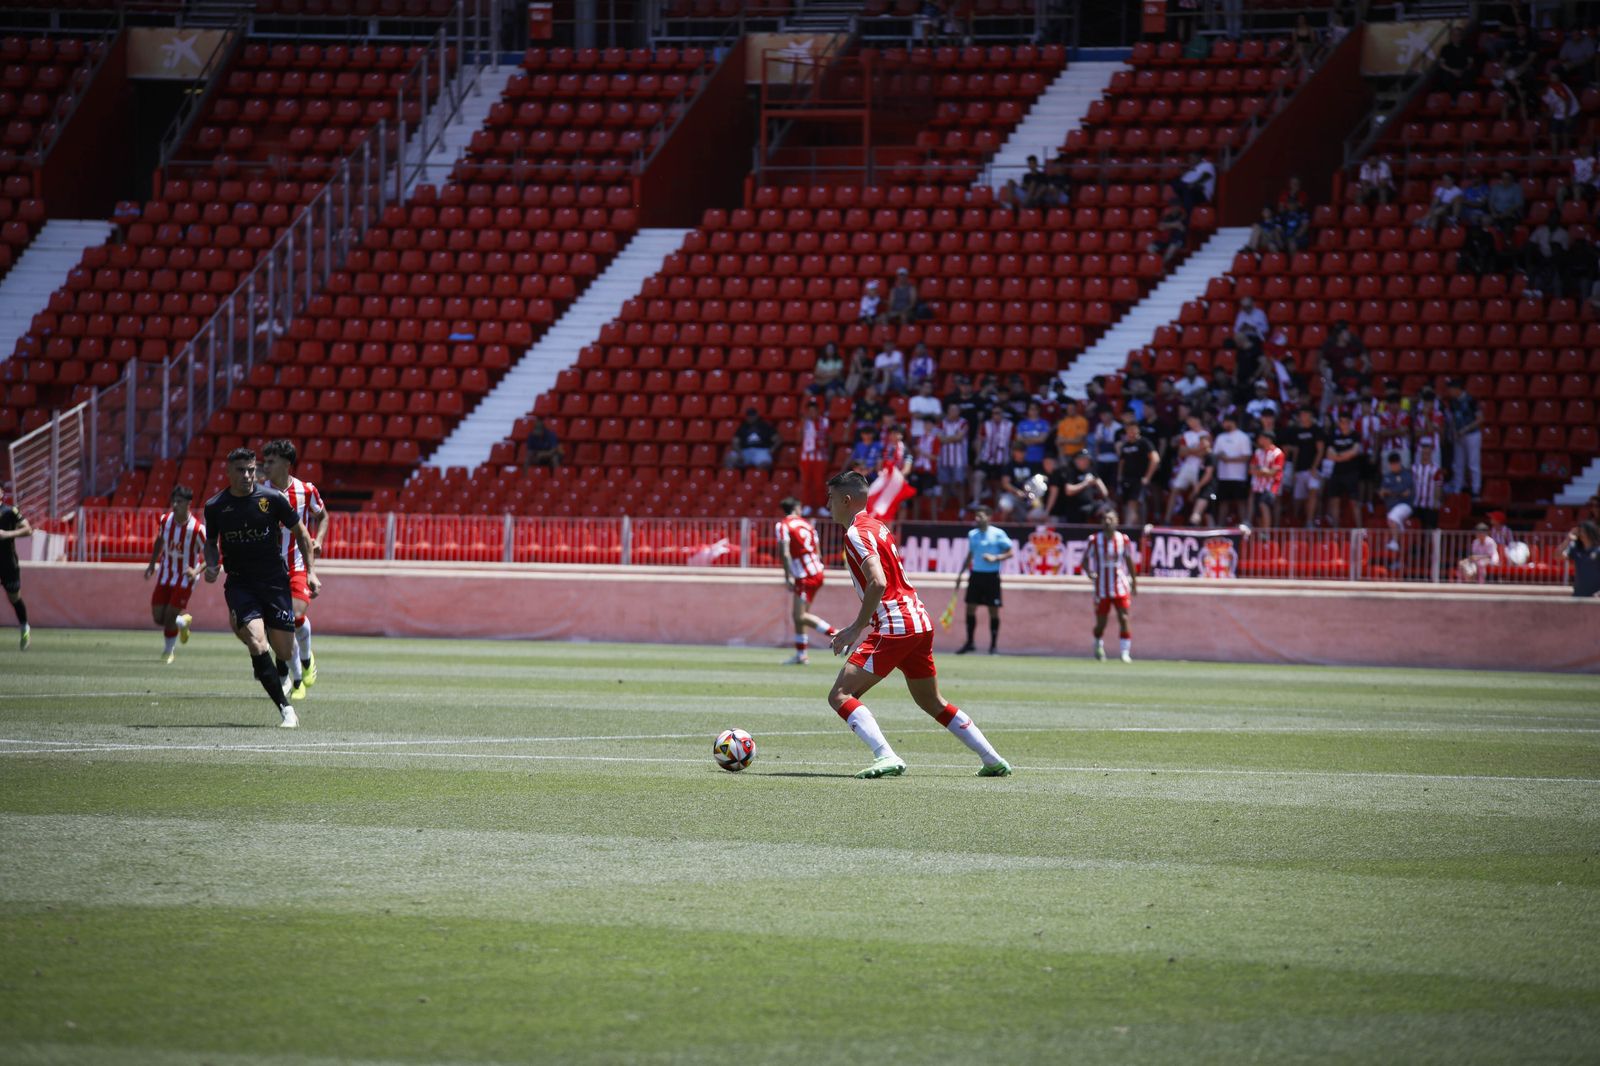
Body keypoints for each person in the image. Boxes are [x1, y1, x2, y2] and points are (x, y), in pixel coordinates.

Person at [821, 470, 1012, 779]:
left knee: (840, 695)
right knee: (931, 701)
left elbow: (878, 582)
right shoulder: (878, 527)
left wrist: (856, 628)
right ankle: (992, 759)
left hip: (894, 624)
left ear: (846, 500)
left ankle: (886, 755)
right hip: (918, 621)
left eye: (830, 498)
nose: (827, 504)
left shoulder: (856, 533)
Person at [202, 448, 321, 727]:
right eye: (241, 470)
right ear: (229, 472)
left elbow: (302, 534)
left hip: (274, 582)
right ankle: (286, 709)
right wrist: (211, 565)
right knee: (257, 642)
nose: (247, 475)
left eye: (251, 470)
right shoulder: (216, 506)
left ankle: (278, 657)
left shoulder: (272, 499)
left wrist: (311, 572)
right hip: (240, 582)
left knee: (284, 651)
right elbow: (210, 543)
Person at [260, 439, 328, 699]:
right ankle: (294, 677)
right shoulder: (259, 492)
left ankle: (306, 663)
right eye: (265, 461)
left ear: (287, 464)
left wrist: (318, 540)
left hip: (297, 566)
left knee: (294, 617)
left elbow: (322, 515)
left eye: (271, 461)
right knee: (277, 628)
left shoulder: (305, 490)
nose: (265, 466)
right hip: (268, 571)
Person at [143, 486, 205, 663]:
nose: (175, 505)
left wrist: (196, 571)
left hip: (186, 577)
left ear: (188, 504)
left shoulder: (197, 529)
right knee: (158, 618)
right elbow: (160, 541)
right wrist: (152, 564)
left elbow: (211, 555)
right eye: (174, 501)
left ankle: (168, 651)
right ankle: (182, 622)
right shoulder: (165, 520)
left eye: (179, 501)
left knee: (169, 616)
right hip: (165, 573)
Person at [776, 497, 837, 665]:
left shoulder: (783, 525)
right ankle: (801, 654)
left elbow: (785, 553)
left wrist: (787, 576)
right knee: (800, 616)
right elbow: (818, 552)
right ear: (796, 509)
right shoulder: (808, 525)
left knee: (800, 615)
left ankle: (836, 635)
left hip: (805, 575)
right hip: (816, 571)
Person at [956, 505, 1014, 655]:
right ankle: (970, 643)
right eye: (976, 516)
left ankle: (993, 646)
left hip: (991, 576)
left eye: (980, 516)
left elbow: (1010, 552)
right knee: (970, 608)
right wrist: (960, 574)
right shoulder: (972, 534)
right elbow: (970, 554)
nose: (977, 519)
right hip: (976, 575)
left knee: (993, 611)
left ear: (989, 517)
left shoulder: (998, 534)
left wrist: (995, 557)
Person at [1082, 508, 1137, 663]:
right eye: (1105, 519)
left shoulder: (1123, 539)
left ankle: (1125, 652)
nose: (1107, 522)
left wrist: (1135, 582)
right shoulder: (1094, 540)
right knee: (1101, 623)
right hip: (1102, 587)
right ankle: (1098, 642)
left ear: (1117, 522)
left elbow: (1129, 561)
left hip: (1120, 584)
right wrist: (1090, 573)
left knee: (1124, 617)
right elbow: (1085, 560)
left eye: (1111, 519)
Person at [0, 492, 31, 650]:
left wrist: (7, 534)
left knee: (14, 598)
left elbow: (28, 529)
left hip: (7, 563)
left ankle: (24, 626)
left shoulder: (10, 512)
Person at [1285, 406, 1325, 527]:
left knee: (1313, 493)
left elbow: (1320, 450)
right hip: (1299, 469)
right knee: (1298, 498)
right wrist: (1293, 470)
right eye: (1301, 414)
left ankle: (1310, 521)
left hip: (1312, 470)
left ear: (1310, 416)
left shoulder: (1317, 430)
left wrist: (1314, 467)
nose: (1302, 417)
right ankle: (1295, 521)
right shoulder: (1297, 431)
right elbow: (1296, 451)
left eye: (1305, 414)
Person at [1116, 416, 1159, 526]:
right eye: (1128, 430)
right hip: (1126, 479)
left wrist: (1147, 477)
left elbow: (1155, 459)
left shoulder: (1144, 443)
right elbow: (1122, 461)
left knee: (1133, 504)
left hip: (1138, 480)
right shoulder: (1125, 445)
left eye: (1132, 429)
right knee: (1128, 505)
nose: (1130, 432)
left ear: (1137, 429)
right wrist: (1119, 476)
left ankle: (1128, 529)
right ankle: (1135, 530)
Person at [1211, 414, 1252, 525]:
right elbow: (1215, 454)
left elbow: (1246, 456)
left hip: (1238, 476)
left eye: (1225, 422)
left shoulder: (1243, 437)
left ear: (1232, 422)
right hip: (1223, 475)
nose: (1223, 425)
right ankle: (1220, 526)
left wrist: (1228, 459)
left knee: (1241, 501)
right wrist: (1221, 456)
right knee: (1223, 502)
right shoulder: (1220, 437)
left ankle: (1245, 524)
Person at [1324, 412, 1363, 527]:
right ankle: (1335, 529)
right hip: (1336, 473)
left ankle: (1359, 529)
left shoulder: (1355, 435)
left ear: (1350, 423)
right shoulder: (1333, 436)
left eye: (1346, 422)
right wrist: (1345, 456)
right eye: (1341, 422)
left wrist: (1338, 456)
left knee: (1354, 502)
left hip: (1351, 473)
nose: (1344, 424)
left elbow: (1355, 452)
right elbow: (1329, 454)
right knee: (1334, 501)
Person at [1446, 377, 1482, 497]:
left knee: (1473, 464)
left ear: (1457, 389)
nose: (1449, 392)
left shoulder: (1471, 400)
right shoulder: (1453, 402)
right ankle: (1457, 488)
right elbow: (1453, 419)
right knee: (1458, 463)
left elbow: (1480, 419)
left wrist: (1465, 429)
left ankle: (1476, 490)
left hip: (1472, 435)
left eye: (1450, 389)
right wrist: (1454, 431)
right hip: (1458, 436)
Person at [796, 399, 831, 515]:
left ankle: (821, 506)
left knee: (819, 482)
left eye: (814, 410)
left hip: (821, 457)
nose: (812, 413)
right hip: (806, 457)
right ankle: (806, 505)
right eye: (810, 411)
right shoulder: (804, 423)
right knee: (806, 482)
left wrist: (828, 454)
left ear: (818, 411)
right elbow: (798, 439)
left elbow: (829, 439)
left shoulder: (824, 422)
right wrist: (802, 425)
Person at [1378, 451, 1415, 551]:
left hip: (1405, 505)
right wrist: (1395, 492)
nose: (1394, 465)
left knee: (1392, 518)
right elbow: (1381, 493)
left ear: (1400, 462)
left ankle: (1395, 542)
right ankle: (1400, 529)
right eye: (1392, 464)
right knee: (1392, 517)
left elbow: (1405, 492)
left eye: (1396, 463)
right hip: (1391, 507)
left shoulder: (1406, 475)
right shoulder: (1387, 476)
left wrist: (1389, 492)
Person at [1249, 430, 1285, 529]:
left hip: (1271, 485)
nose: (1259, 440)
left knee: (1263, 504)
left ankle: (1266, 532)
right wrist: (1263, 471)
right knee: (1258, 511)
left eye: (1261, 438)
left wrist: (1261, 470)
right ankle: (1261, 533)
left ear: (1268, 439)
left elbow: (1273, 472)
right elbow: (1251, 470)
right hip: (1258, 486)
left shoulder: (1278, 453)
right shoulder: (1258, 452)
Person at [1411, 442, 1444, 529]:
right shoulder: (1414, 468)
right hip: (1416, 504)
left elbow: (1438, 487)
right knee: (1416, 530)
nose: (1425, 455)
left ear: (1431, 454)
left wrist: (1436, 502)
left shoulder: (1436, 470)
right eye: (1423, 453)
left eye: (1427, 453)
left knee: (1429, 530)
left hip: (1430, 506)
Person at [1566, 521, 1600, 598]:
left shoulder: (1598, 551)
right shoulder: (1576, 549)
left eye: (1583, 531)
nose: (1581, 534)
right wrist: (1568, 539)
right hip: (1578, 595)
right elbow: (1558, 556)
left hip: (1595, 597)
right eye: (1580, 531)